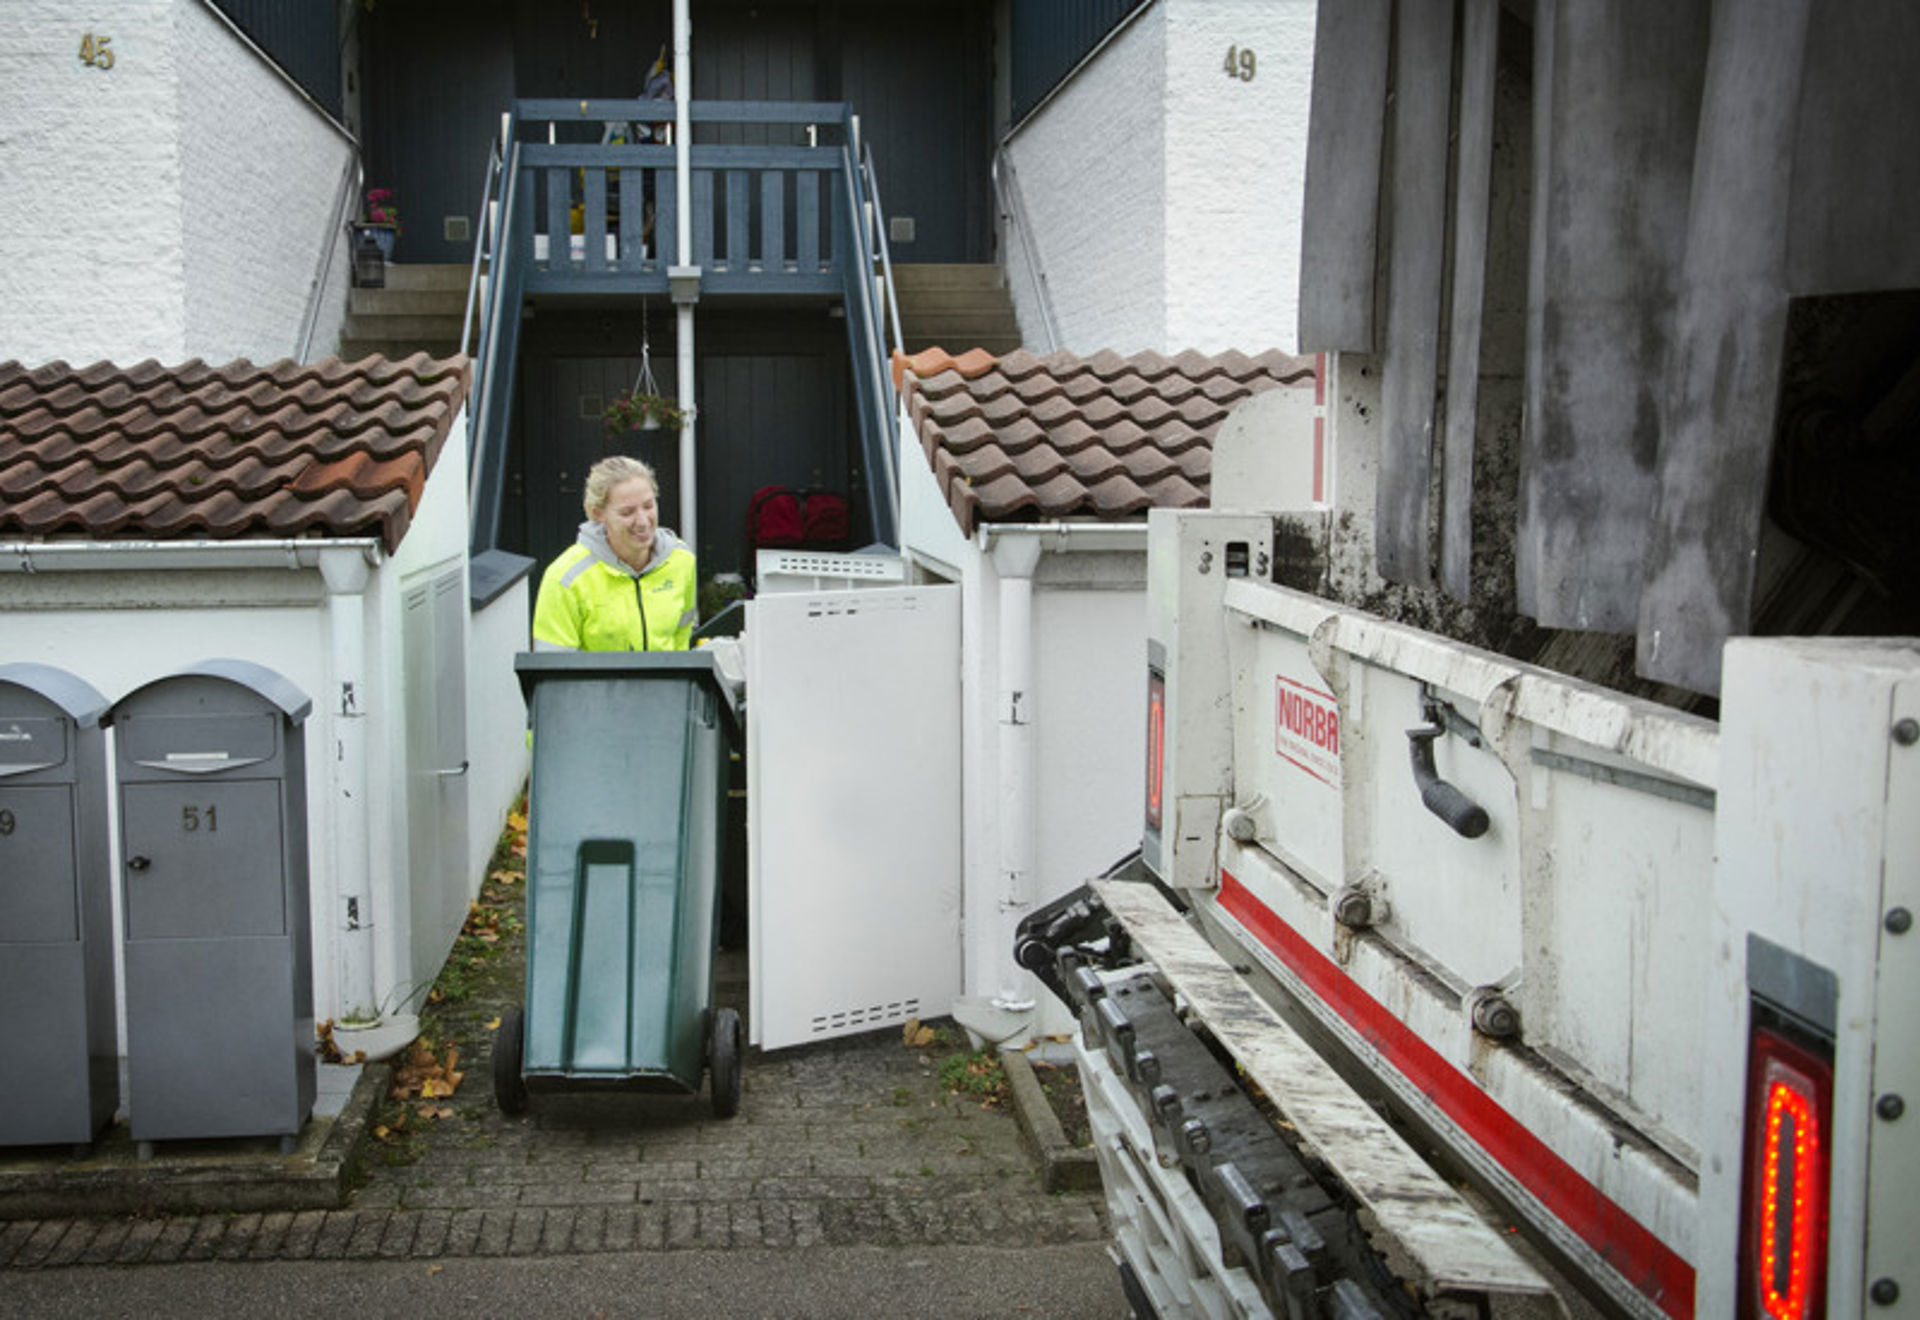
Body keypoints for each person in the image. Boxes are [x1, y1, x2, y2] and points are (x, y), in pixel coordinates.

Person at [532, 455, 697, 651]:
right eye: (627, 512)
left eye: (648, 506)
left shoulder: (682, 559)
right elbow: (554, 665)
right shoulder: (565, 578)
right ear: (598, 514)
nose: (643, 521)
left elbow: (682, 638)